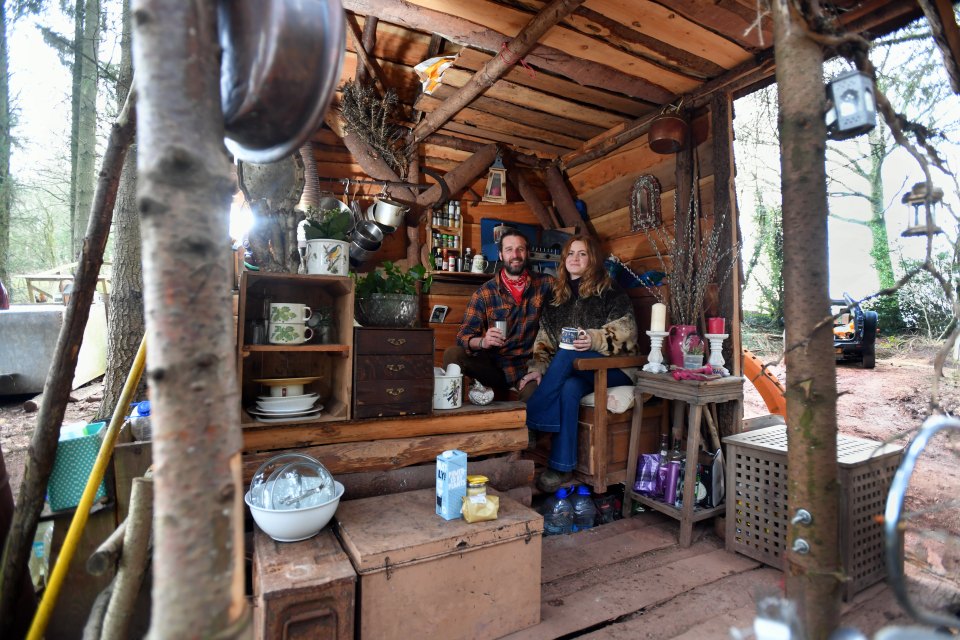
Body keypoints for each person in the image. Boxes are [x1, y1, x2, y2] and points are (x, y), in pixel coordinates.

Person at [523, 235, 640, 492]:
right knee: (569, 388)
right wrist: (538, 369)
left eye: (582, 253)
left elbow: (627, 330)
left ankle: (530, 420)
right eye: (570, 254)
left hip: (616, 368)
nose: (575, 258)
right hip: (581, 372)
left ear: (593, 259)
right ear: (564, 260)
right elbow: (544, 341)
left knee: (568, 352)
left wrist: (593, 339)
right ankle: (561, 467)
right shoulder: (556, 300)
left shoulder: (610, 292)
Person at [443, 228, 552, 401]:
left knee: (534, 398)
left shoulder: (546, 284)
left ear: (527, 253)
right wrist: (483, 342)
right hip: (494, 366)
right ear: (501, 255)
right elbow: (463, 336)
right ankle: (455, 412)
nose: (515, 254)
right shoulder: (484, 293)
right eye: (509, 249)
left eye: (520, 249)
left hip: (527, 367)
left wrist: (540, 367)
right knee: (453, 354)